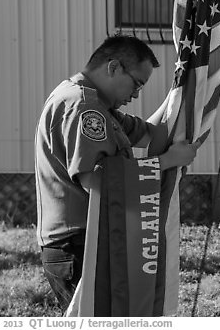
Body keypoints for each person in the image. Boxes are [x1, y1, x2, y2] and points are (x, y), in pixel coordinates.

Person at [35, 34, 199, 313]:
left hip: (80, 240)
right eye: (137, 84)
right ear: (113, 67)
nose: (136, 94)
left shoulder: (89, 100)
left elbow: (147, 131)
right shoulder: (85, 107)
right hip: (80, 243)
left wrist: (180, 95)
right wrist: (168, 161)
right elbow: (97, 182)